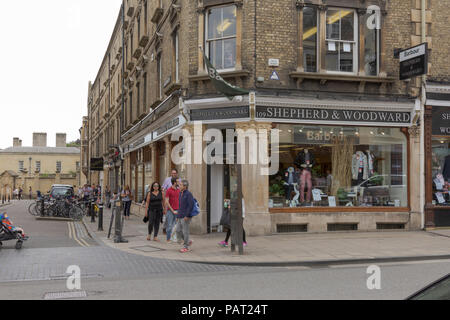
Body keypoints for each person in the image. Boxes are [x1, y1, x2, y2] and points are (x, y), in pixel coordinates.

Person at [176, 180, 194, 253]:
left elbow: (191, 205)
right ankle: (188, 241)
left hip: (186, 216)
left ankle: (186, 247)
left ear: (185, 186)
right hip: (180, 215)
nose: (179, 186)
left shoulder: (189, 194)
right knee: (178, 230)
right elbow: (180, 206)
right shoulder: (180, 193)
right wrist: (177, 215)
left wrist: (187, 215)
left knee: (185, 232)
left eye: (180, 185)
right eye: (179, 185)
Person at [165, 178, 180, 243]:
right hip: (170, 211)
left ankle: (174, 238)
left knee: (176, 226)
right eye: (177, 181)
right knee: (170, 226)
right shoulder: (168, 190)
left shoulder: (179, 190)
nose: (179, 183)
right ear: (174, 182)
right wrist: (172, 210)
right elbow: (166, 202)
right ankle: (168, 239)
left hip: (178, 210)